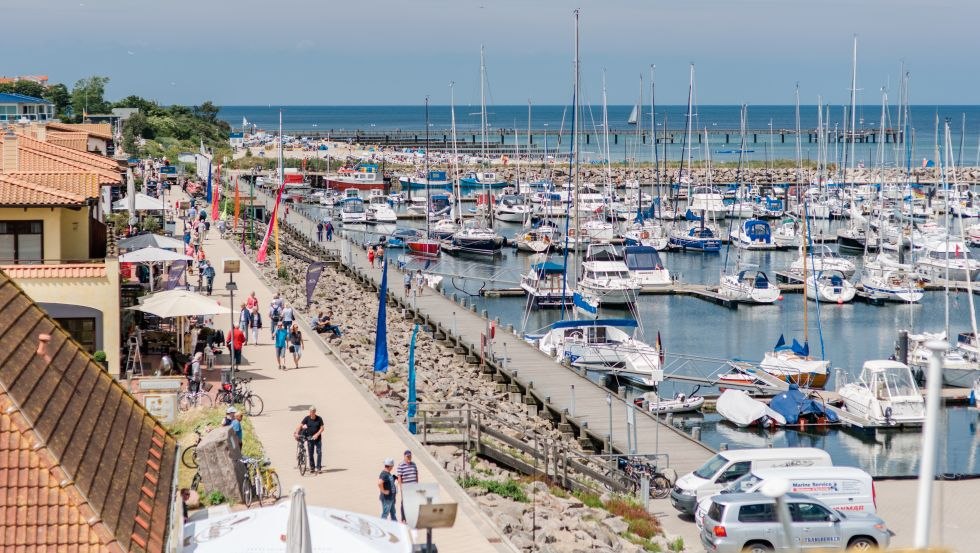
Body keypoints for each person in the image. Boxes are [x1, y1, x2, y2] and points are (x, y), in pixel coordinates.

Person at [295, 407, 324, 474]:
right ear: (309, 412)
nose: (312, 412)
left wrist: (317, 434)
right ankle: (312, 467)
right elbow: (300, 426)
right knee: (311, 453)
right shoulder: (307, 418)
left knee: (319, 453)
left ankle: (319, 468)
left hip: (317, 438)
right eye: (311, 411)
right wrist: (296, 433)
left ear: (315, 411)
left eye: (313, 411)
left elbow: (322, 428)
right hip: (310, 438)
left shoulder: (319, 418)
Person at [396, 450, 419, 523]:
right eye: (408, 456)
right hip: (406, 487)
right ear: (404, 456)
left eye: (410, 456)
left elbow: (416, 474)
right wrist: (401, 487)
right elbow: (399, 477)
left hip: (414, 487)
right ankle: (404, 519)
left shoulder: (414, 464)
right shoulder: (401, 465)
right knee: (404, 503)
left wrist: (417, 485)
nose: (409, 458)